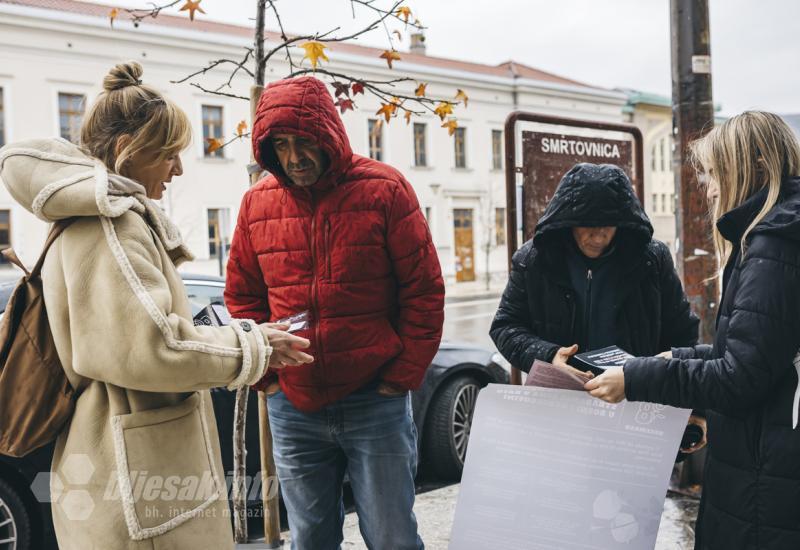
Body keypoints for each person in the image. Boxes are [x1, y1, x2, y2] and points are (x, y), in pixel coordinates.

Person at [0, 62, 312, 550]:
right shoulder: (110, 228)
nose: (179, 169)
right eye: (169, 154)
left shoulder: (90, 222)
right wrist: (253, 345)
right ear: (130, 151)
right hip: (135, 483)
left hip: (121, 467)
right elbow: (153, 347)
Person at [224, 76, 445, 549]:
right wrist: (267, 377)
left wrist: (401, 376)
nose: (294, 158)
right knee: (310, 538)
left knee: (392, 537)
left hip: (374, 399)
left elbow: (423, 291)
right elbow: (242, 299)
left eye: (304, 142)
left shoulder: (384, 190)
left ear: (328, 134)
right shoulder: (256, 203)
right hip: (294, 405)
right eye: (280, 146)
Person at [587, 111, 800, 550]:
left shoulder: (773, 245)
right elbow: (756, 351)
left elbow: (741, 377)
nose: (710, 187)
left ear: (751, 167)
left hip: (764, 477)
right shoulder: (781, 232)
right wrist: (675, 358)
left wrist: (637, 378)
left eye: (715, 172)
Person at [490, 163, 706, 448]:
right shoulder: (534, 260)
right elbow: (505, 326)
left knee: (631, 491)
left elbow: (682, 335)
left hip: (634, 410)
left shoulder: (651, 260)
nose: (599, 235)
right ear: (567, 222)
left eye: (608, 226)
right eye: (588, 226)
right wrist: (549, 355)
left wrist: (692, 411)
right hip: (563, 415)